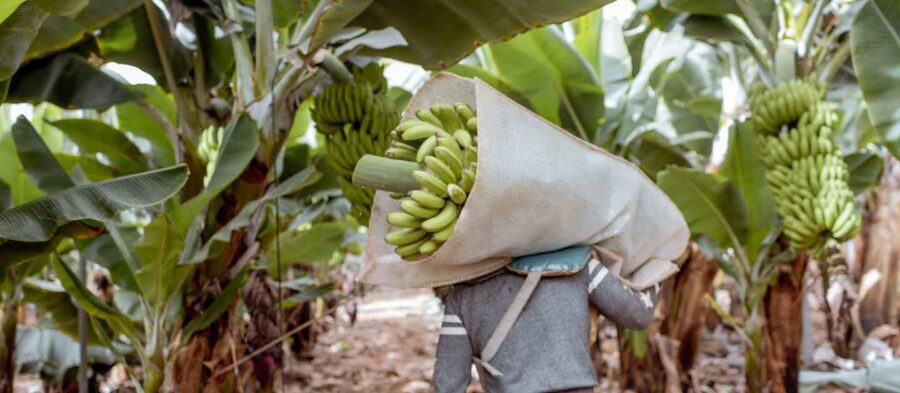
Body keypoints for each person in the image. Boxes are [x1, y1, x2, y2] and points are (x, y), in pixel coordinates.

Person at [432, 246, 659, 393]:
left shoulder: (462, 296)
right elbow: (637, 315)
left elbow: (448, 384)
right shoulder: (577, 265)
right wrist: (657, 271)